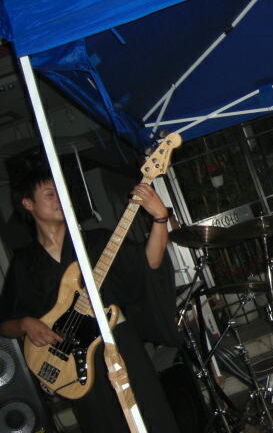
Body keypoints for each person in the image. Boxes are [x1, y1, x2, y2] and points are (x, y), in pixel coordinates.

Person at [0, 167, 182, 432]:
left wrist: (160, 218)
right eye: (50, 194)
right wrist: (26, 324)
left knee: (152, 418)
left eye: (61, 192)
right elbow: (5, 324)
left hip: (118, 344)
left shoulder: (98, 241)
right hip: (72, 365)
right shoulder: (24, 264)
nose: (60, 198)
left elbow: (149, 262)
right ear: (28, 204)